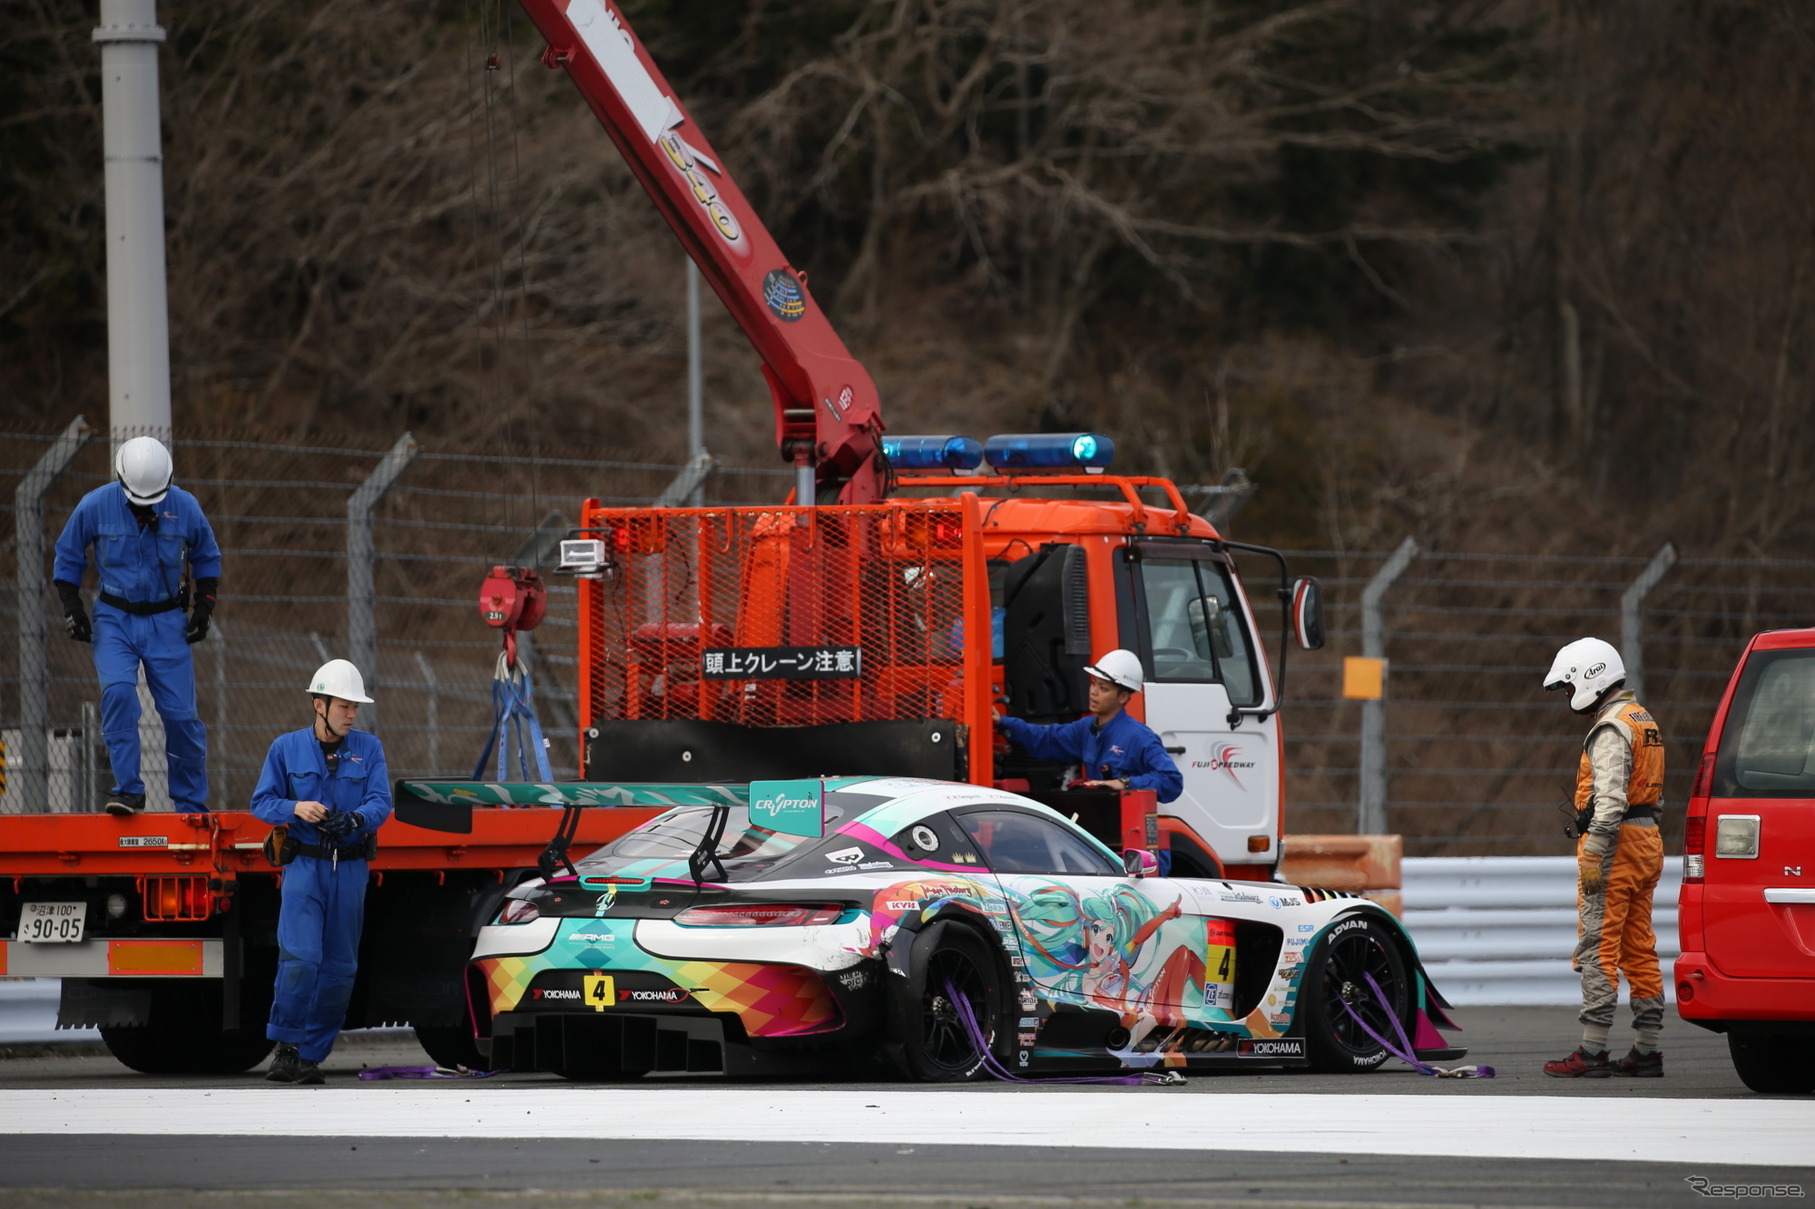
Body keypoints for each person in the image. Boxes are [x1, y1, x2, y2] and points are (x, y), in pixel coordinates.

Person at [52, 435, 221, 815]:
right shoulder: (95, 505)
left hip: (166, 621)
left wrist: (204, 606)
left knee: (181, 716)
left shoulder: (186, 507)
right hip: (115, 618)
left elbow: (207, 556)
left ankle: (190, 802)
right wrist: (71, 606)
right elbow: (67, 554)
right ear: (121, 480)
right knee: (118, 696)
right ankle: (128, 790)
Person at [251, 659, 392, 1086]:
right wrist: (295, 807)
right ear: (319, 704)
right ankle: (287, 1049)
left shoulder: (369, 749)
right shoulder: (285, 748)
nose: (352, 713)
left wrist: (356, 821)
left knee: (339, 968)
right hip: (304, 868)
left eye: (355, 706)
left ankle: (311, 1056)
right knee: (300, 959)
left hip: (349, 871)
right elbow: (262, 802)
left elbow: (380, 801)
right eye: (344, 705)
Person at [1540, 637, 1666, 1079]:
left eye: (1567, 686)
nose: (1567, 698)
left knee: (1597, 946)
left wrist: (1593, 850)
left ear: (1589, 678)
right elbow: (1651, 794)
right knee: (1639, 947)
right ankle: (1647, 1049)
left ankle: (1592, 1050)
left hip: (1613, 847)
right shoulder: (1641, 719)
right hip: (1647, 839)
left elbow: (1609, 800)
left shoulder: (1611, 728)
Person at [993, 649, 1183, 803]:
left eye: (1104, 689)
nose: (1094, 692)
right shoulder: (1086, 729)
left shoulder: (1139, 737)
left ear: (1123, 697)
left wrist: (1123, 783)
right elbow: (1046, 738)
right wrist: (1003, 721)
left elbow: (1172, 781)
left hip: (1131, 836)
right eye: (1094, 684)